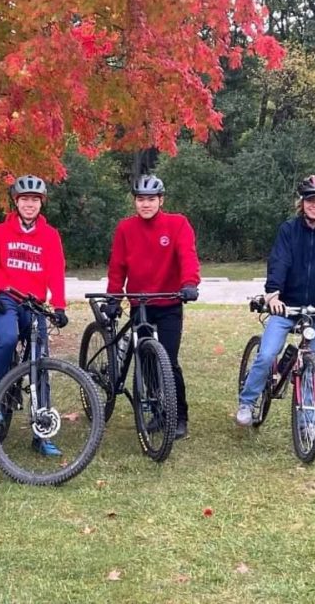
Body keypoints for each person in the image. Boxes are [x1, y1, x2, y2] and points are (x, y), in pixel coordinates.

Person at [235, 175, 315, 430]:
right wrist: (273, 294)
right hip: (286, 305)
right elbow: (279, 263)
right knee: (267, 354)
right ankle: (247, 401)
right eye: (310, 200)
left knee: (312, 367)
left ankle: (308, 423)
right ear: (301, 203)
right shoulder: (289, 230)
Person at [104, 174, 200, 440]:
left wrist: (189, 283)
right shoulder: (125, 229)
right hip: (140, 303)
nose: (145, 204)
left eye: (151, 199)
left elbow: (187, 256)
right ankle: (159, 412)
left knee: (168, 361)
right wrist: (114, 297)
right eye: (140, 200)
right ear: (135, 202)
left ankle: (179, 416)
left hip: (169, 302)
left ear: (161, 200)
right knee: (145, 360)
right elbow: (117, 266)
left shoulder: (177, 224)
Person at [0, 174, 69, 457]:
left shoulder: (50, 235)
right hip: (7, 298)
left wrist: (60, 307)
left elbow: (56, 273)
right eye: (24, 199)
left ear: (41, 203)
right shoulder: (0, 232)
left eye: (34, 200)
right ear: (16, 202)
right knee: (6, 340)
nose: (29, 204)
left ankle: (41, 432)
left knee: (39, 361)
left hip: (34, 304)